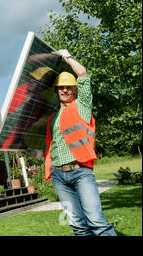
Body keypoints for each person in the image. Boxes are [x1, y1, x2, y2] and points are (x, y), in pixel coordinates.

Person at [44, 49, 116, 236]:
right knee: (78, 227)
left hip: (80, 172)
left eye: (69, 87)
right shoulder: (52, 117)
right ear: (56, 90)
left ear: (75, 89)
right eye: (61, 87)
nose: (65, 90)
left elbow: (82, 74)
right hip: (59, 176)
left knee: (97, 223)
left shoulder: (82, 105)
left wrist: (66, 57)